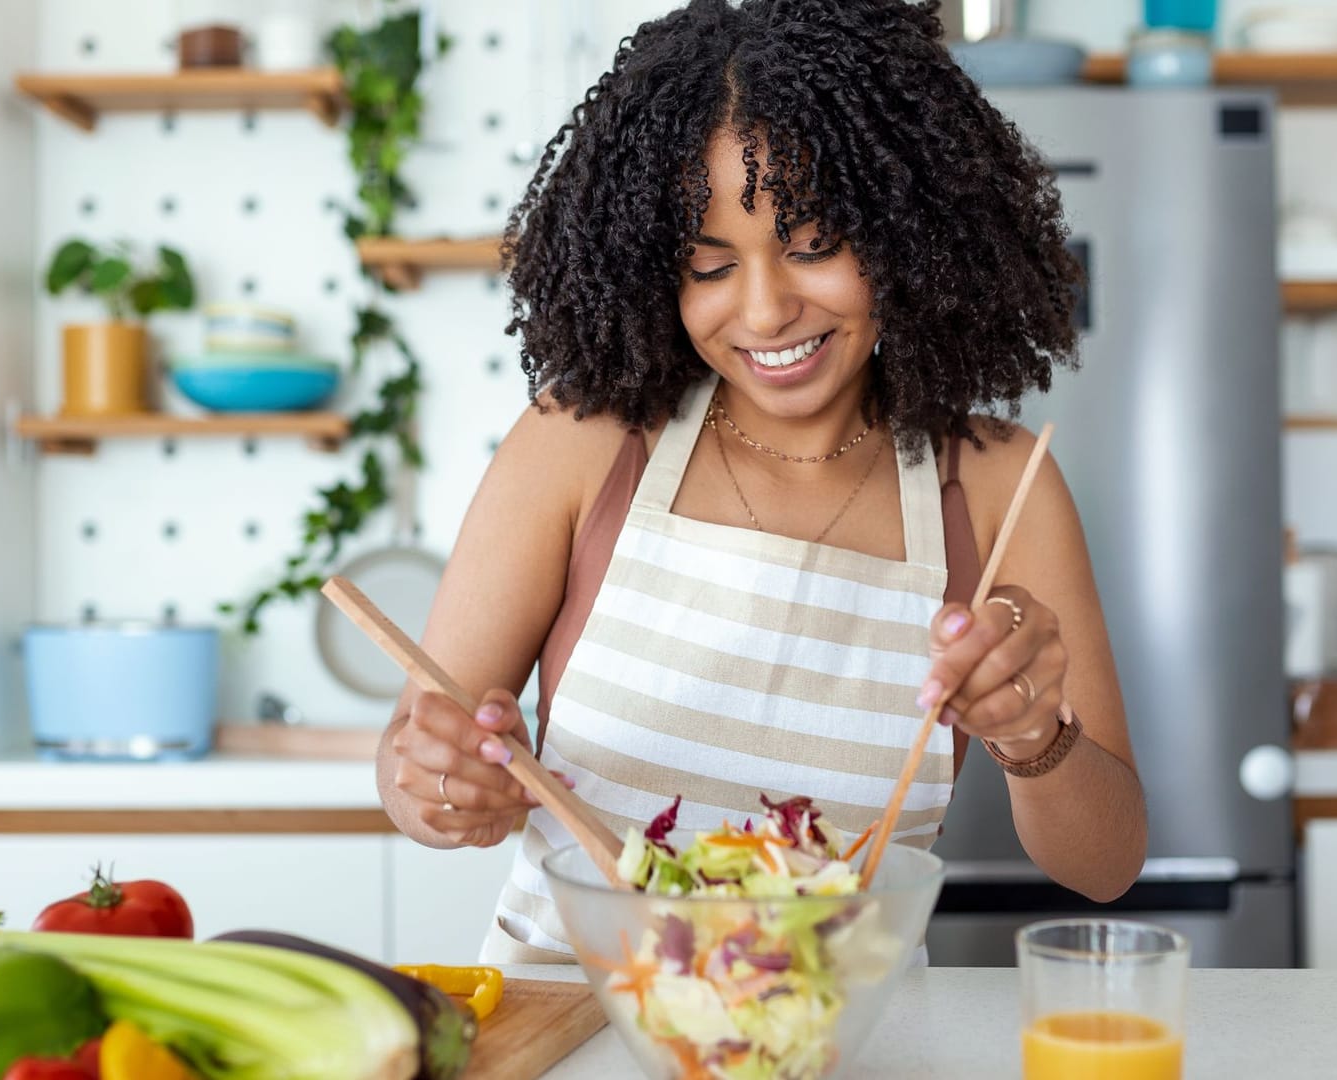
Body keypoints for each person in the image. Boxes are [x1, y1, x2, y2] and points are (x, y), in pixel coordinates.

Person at [374, 0, 1147, 963]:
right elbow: (418, 753)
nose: (767, 309)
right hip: (576, 1035)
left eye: (815, 246)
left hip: (844, 1041)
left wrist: (1036, 734)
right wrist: (443, 785)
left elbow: (1107, 866)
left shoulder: (995, 484)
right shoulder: (582, 444)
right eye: (709, 265)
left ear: (909, 229)